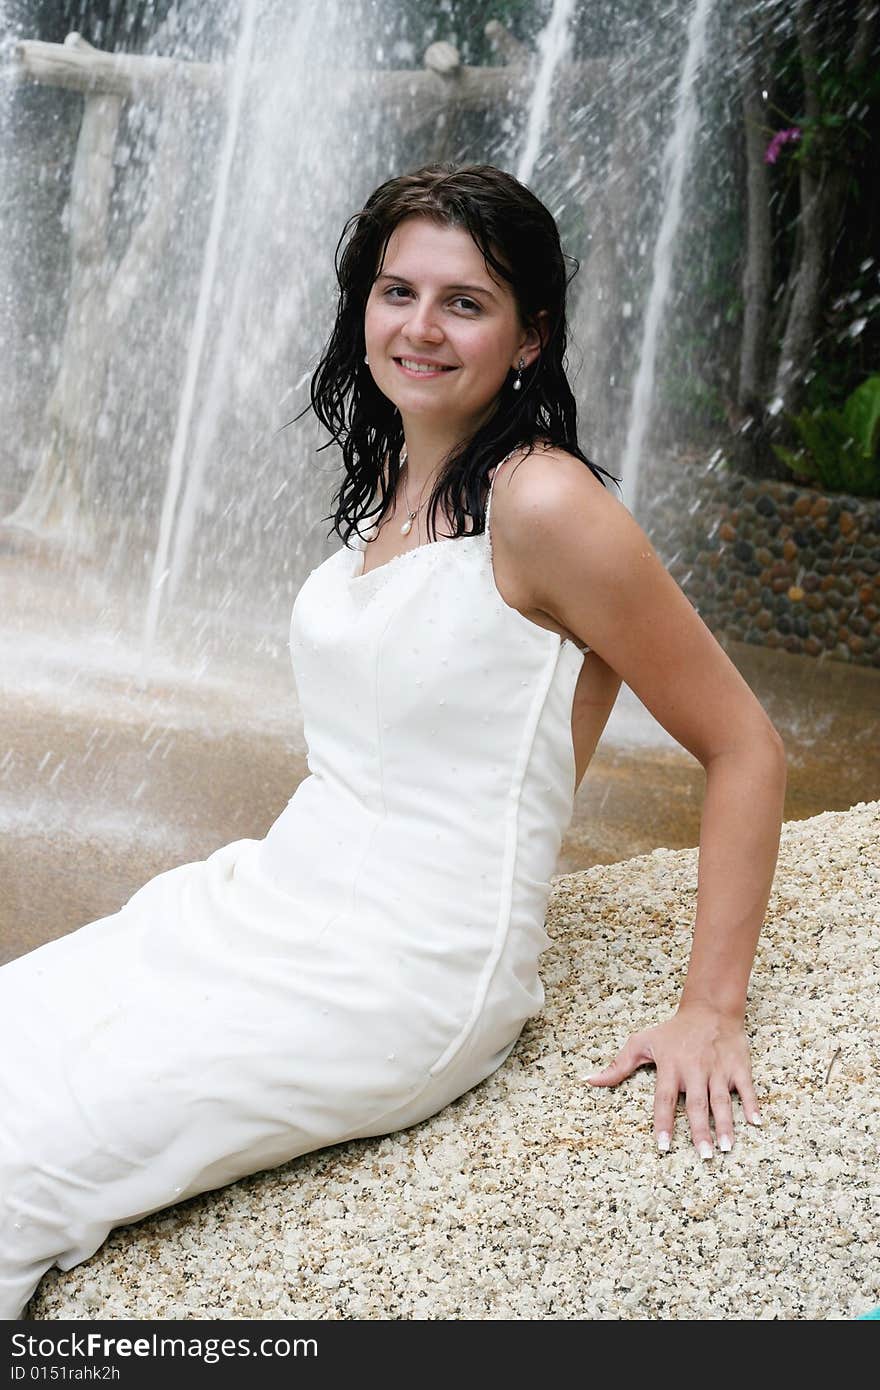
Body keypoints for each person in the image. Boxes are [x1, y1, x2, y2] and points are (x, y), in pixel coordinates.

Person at [0, 162, 786, 1320]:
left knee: (30, 1164)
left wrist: (709, 1010)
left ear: (529, 338)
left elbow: (745, 744)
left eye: (464, 302)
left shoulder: (543, 504)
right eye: (395, 291)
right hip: (270, 899)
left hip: (398, 973)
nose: (419, 326)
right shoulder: (395, 467)